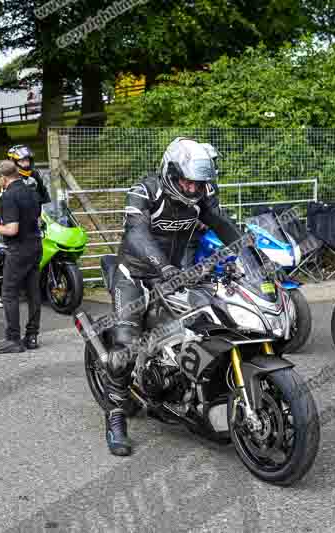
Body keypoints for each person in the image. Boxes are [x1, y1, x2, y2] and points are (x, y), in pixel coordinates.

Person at [102, 137, 243, 456]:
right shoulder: (145, 191)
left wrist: (253, 254)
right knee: (125, 346)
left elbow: (221, 223)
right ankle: (115, 418)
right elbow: (136, 234)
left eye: (198, 184)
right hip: (135, 274)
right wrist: (163, 267)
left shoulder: (203, 192)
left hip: (178, 273)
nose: (192, 189)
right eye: (186, 182)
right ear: (170, 171)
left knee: (203, 327)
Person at [0, 160, 43, 354]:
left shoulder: (9, 196)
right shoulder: (31, 191)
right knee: (33, 292)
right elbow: (38, 218)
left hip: (18, 249)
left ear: (3, 178)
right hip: (36, 245)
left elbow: (12, 229)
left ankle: (13, 339)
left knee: (9, 293)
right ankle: (32, 336)